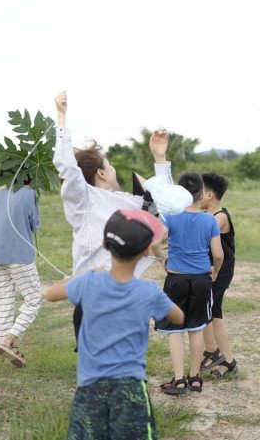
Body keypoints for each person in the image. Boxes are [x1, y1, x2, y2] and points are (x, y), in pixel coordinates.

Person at [44, 209, 184, 440]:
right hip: (130, 386)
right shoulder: (147, 291)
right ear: (146, 251)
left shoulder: (89, 282)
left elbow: (50, 294)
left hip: (90, 386)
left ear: (105, 245)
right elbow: (178, 317)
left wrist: (86, 273)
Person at [52, 90, 172, 345]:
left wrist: (160, 157)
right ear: (102, 174)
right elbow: (68, 169)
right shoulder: (83, 199)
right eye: (109, 164)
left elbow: (165, 202)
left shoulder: (127, 202)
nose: (114, 168)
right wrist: (61, 118)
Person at [156, 172, 224, 395]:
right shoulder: (210, 220)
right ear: (202, 194)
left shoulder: (169, 216)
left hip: (175, 280)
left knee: (175, 331)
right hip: (201, 280)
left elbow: (155, 241)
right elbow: (218, 254)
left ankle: (178, 380)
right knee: (196, 329)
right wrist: (214, 271)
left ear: (179, 192)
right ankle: (195, 377)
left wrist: (161, 259)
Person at [0, 178, 43, 368]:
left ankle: (7, 355)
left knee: (3, 304)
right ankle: (9, 339)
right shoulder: (29, 193)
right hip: (20, 256)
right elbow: (34, 225)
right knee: (34, 299)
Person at [199, 171, 238, 377]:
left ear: (209, 195)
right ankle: (222, 356)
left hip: (219, 272)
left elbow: (202, 234)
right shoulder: (209, 216)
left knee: (214, 312)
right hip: (211, 270)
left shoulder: (219, 218)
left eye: (199, 192)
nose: (196, 196)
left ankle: (224, 357)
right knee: (210, 312)